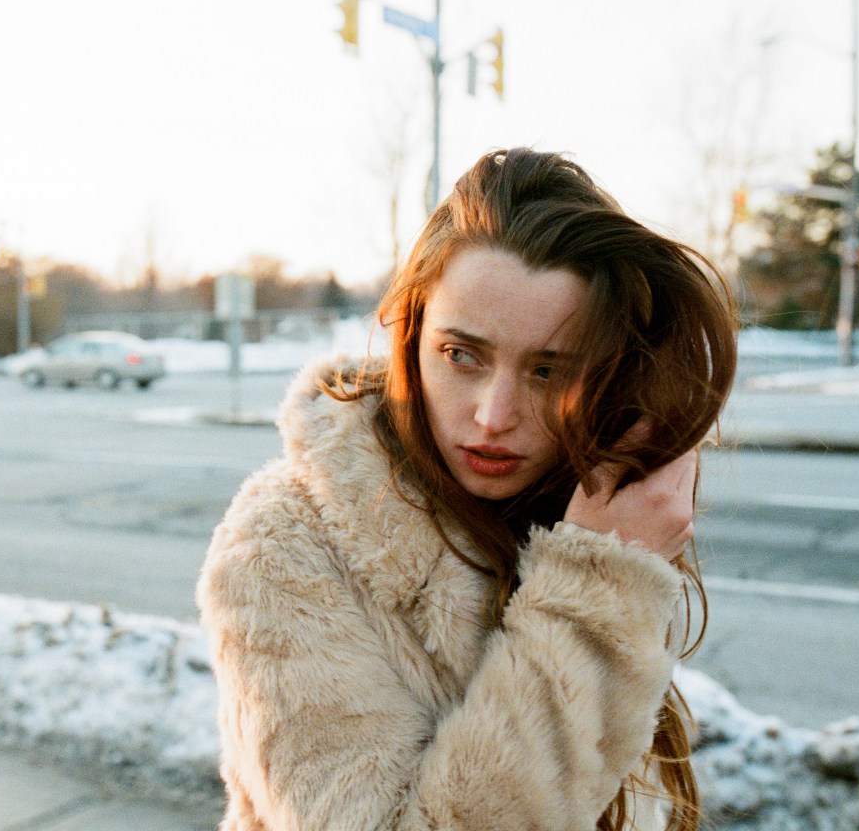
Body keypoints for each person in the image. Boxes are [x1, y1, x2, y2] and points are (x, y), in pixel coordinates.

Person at [195, 148, 738, 831]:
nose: (493, 416)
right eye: (462, 355)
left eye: (548, 371)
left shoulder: (579, 512)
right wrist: (596, 600)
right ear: (412, 335)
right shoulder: (284, 544)